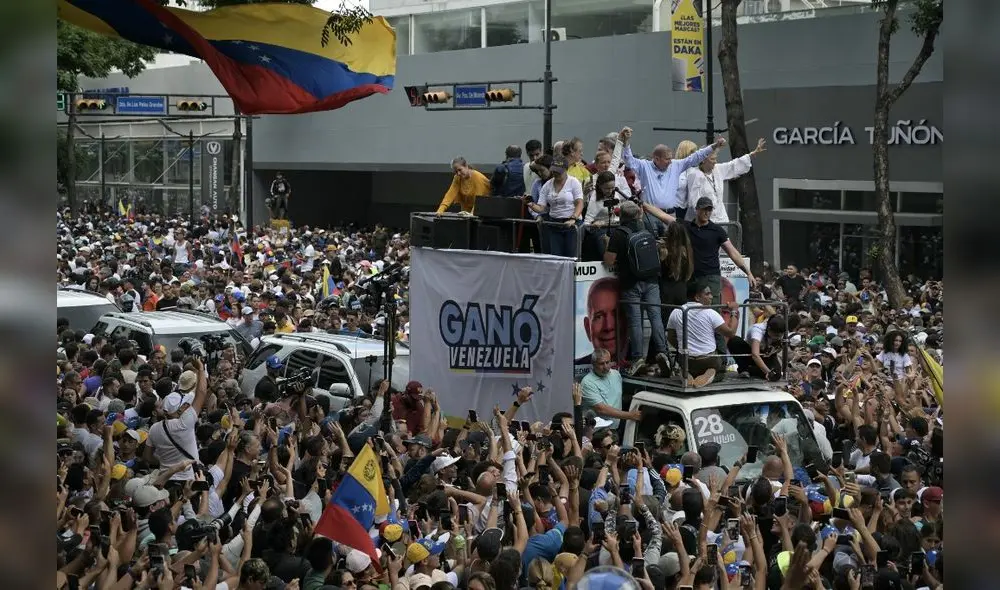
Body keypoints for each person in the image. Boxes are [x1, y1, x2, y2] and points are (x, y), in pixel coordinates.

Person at [603, 200, 670, 376]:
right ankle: (663, 352)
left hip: (630, 282)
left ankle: (638, 358)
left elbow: (609, 260)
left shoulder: (619, 234)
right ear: (638, 214)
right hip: (652, 280)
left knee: (635, 321)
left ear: (621, 216)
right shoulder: (646, 227)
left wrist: (606, 243)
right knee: (655, 317)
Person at [617, 126, 722, 233]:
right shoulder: (644, 166)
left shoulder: (675, 165)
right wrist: (626, 143)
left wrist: (714, 146)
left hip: (670, 214)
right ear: (656, 159)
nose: (670, 161)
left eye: (671, 158)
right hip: (650, 215)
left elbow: (695, 157)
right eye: (667, 159)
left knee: (671, 245)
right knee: (653, 245)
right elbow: (629, 160)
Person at [665, 282, 739, 386]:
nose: (711, 297)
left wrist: (682, 348)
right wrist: (734, 311)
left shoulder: (676, 311)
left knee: (683, 362)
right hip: (708, 360)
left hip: (686, 360)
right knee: (721, 372)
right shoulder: (710, 313)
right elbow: (731, 333)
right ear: (697, 297)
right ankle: (711, 373)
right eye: (707, 294)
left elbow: (670, 337)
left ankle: (685, 374)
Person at [684, 137, 767, 223]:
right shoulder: (695, 174)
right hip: (704, 221)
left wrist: (753, 153)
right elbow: (694, 201)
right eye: (712, 159)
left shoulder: (717, 169)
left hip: (721, 219)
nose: (715, 161)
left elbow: (733, 165)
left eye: (716, 158)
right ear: (703, 160)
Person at [525, 157, 584, 258]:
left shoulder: (574, 182)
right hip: (554, 224)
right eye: (554, 171)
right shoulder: (547, 185)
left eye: (559, 172)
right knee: (555, 257)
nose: (555, 174)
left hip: (572, 225)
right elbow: (541, 208)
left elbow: (580, 203)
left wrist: (573, 218)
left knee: (572, 257)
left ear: (566, 170)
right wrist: (530, 203)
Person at [579, 348, 639, 429]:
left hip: (615, 427)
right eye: (601, 364)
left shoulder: (616, 375)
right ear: (593, 364)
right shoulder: (587, 382)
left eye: (607, 362)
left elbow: (616, 398)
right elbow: (601, 409)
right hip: (597, 432)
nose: (606, 367)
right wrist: (630, 415)